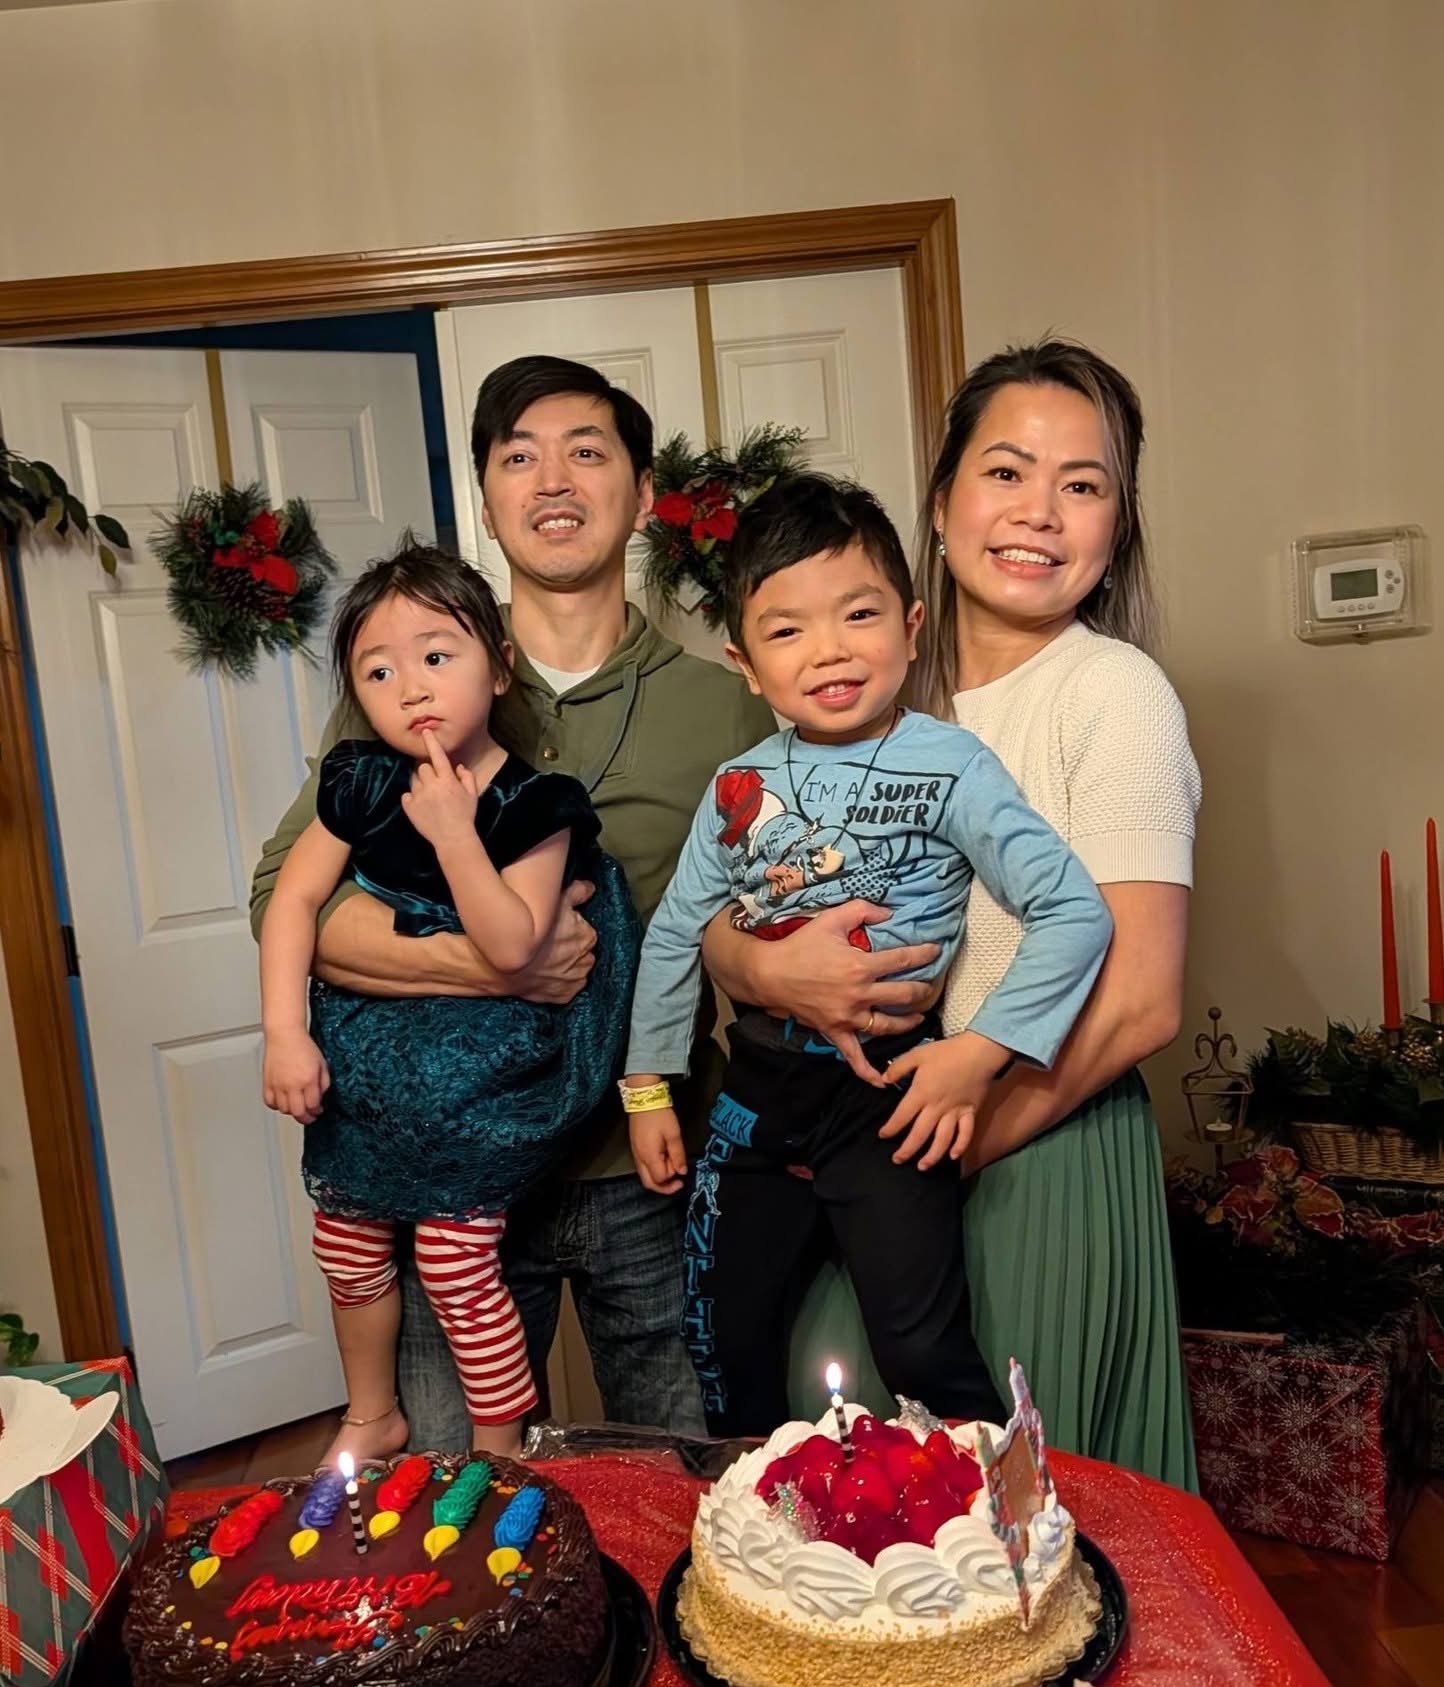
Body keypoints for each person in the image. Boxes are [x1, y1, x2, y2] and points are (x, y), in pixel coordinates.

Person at [250, 356, 793, 1449]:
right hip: (446, 1160)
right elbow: (289, 897)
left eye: (586, 450)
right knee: (457, 1493)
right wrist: (487, 962)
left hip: (648, 1166)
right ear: (488, 500)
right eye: (518, 456)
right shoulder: (415, 677)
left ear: (643, 493)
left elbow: (772, 907)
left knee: (684, 1477)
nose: (553, 479)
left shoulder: (727, 711)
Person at [705, 341, 1202, 1489]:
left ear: (1116, 527)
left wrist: (956, 1137)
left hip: (1035, 1140)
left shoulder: (1109, 692)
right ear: (939, 503)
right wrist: (763, 968)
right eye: (1007, 471)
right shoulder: (875, 691)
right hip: (874, 1142)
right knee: (861, 1487)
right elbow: (738, 898)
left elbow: (1139, 1001)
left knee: (1015, 1512)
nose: (1039, 511)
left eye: (1083, 484)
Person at [623, 473, 1113, 1437]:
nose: (831, 650)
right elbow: (679, 931)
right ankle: (754, 1537)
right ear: (746, 663)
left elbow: (1074, 912)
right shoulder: (738, 785)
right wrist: (647, 1092)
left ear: (912, 623)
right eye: (788, 629)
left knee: (921, 1349)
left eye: (859, 614)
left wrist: (979, 1057)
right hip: (756, 1089)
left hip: (892, 1095)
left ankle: (984, 1544)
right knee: (721, 1338)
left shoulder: (953, 762)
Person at [260, 540, 639, 1463]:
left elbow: (514, 946)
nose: (411, 687)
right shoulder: (355, 783)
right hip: (368, 1081)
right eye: (378, 670)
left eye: (437, 655)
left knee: (454, 1264)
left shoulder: (537, 802)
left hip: (485, 1086)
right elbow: (293, 902)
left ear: (499, 662)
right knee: (346, 1244)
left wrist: (453, 833)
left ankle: (500, 1447)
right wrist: (282, 1035)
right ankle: (369, 1411)